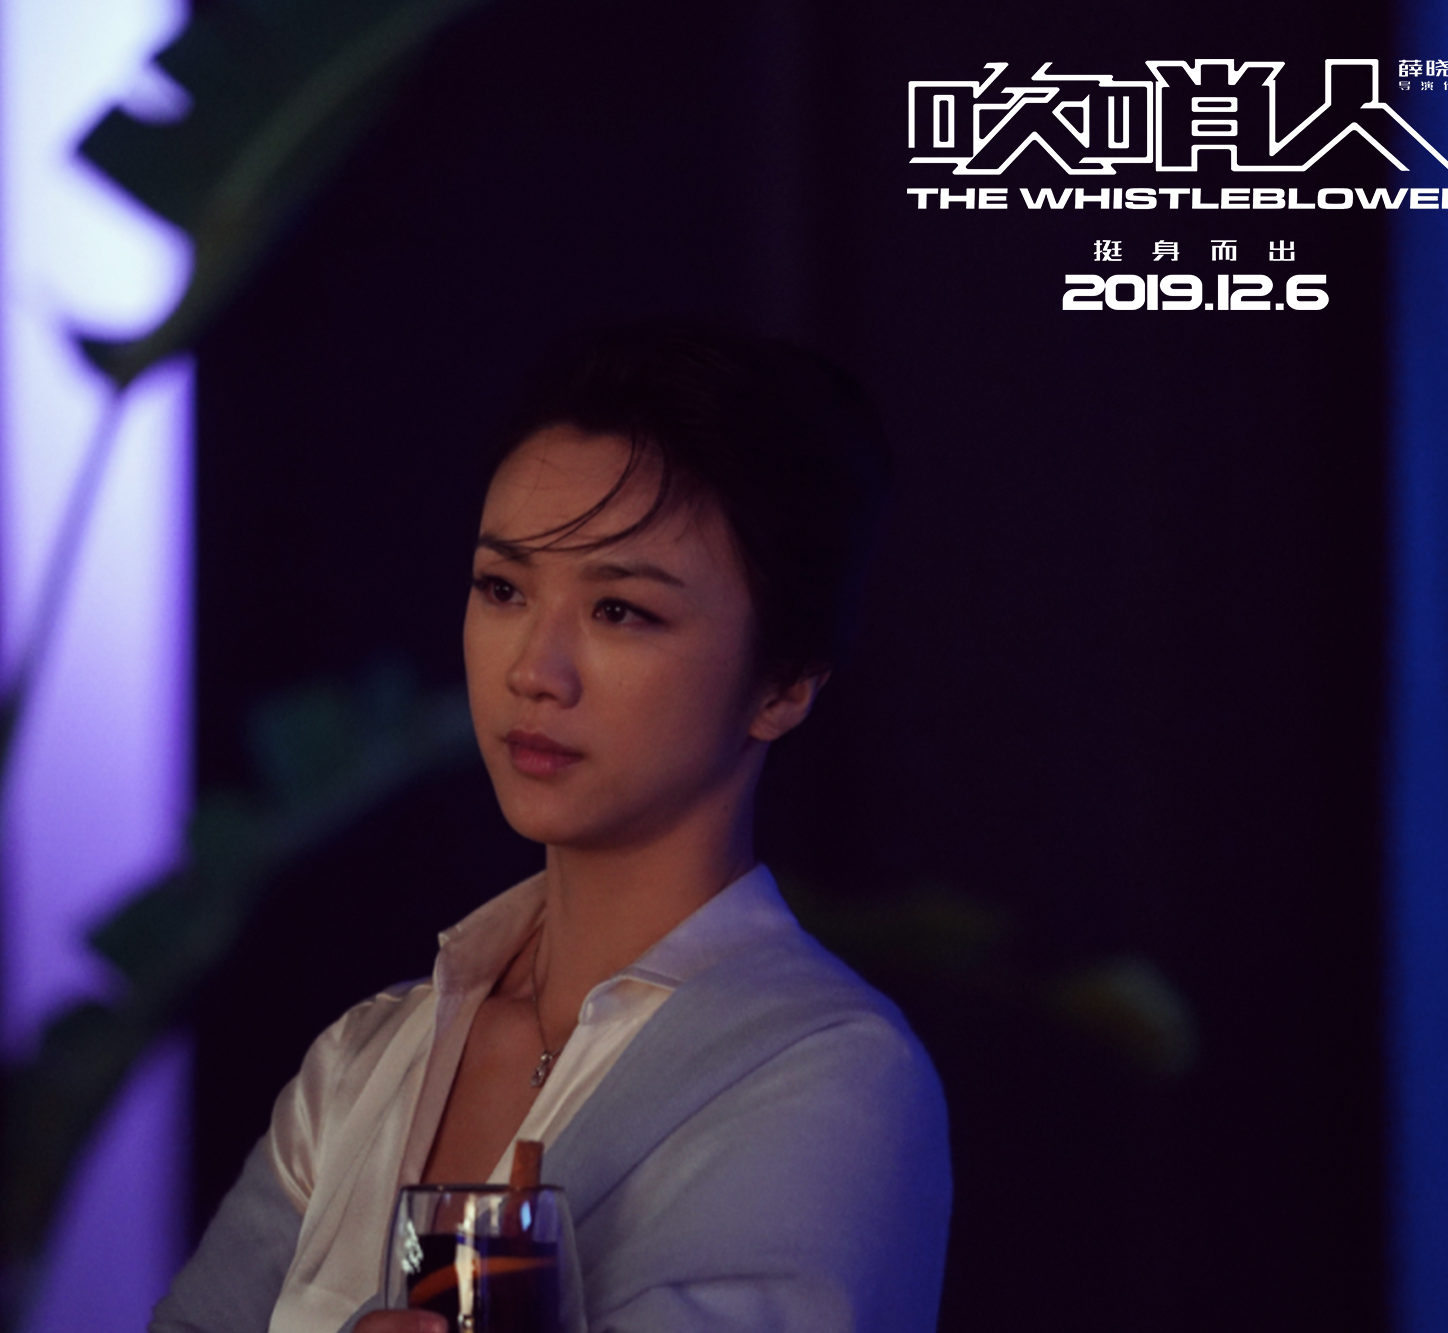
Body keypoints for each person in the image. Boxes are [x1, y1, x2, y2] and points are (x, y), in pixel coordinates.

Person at [150, 320, 951, 1333]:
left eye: (619, 610)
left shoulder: (827, 1069)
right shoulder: (363, 1063)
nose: (534, 668)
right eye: (503, 589)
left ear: (783, 683)